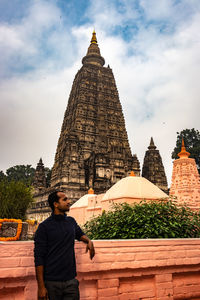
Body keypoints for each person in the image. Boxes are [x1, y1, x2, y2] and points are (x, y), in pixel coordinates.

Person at [34, 191, 95, 300]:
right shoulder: (44, 227)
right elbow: (39, 257)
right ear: (55, 204)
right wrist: (41, 287)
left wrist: (89, 241)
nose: (69, 202)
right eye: (65, 199)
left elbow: (79, 234)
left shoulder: (70, 221)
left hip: (71, 281)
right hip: (52, 282)